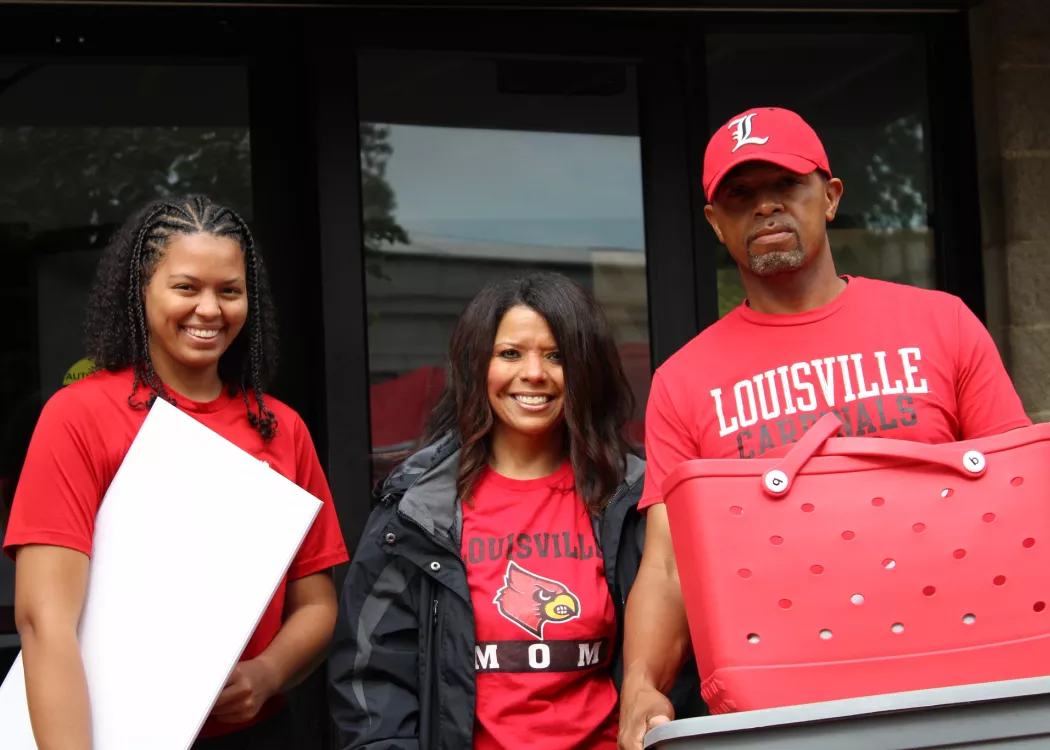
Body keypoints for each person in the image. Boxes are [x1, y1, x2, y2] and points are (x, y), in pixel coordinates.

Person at [617, 107, 1032, 749]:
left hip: (954, 688)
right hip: (781, 704)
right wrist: (642, 683)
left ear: (830, 197)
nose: (765, 208)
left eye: (786, 186)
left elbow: (1019, 505)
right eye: (741, 196)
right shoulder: (681, 380)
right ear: (716, 224)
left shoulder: (942, 325)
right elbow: (669, 563)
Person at [3, 196, 350, 750]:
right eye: (186, 287)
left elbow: (318, 604)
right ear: (141, 291)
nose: (209, 309)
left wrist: (267, 674)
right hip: (102, 729)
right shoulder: (80, 416)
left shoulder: (281, 429)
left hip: (255, 734)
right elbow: (45, 623)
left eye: (229, 291)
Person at [328, 272, 701, 750]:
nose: (534, 374)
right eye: (510, 354)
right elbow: (370, 675)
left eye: (556, 356)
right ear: (475, 364)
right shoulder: (417, 510)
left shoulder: (633, 500)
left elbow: (683, 664)